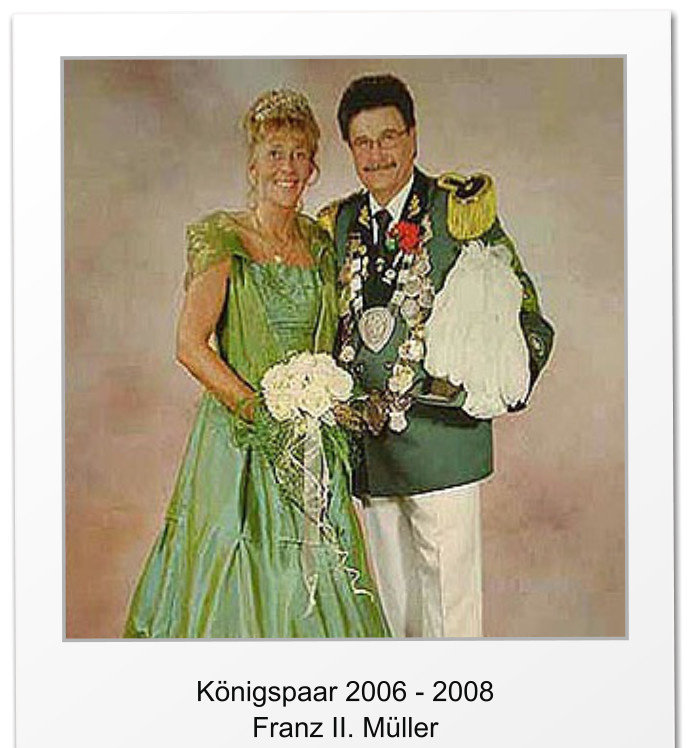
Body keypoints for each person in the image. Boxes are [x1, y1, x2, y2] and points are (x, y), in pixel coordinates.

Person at [124, 89, 390, 638]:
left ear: (313, 168)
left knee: (319, 582)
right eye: (275, 154)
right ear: (253, 165)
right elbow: (190, 344)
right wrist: (259, 412)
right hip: (239, 445)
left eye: (299, 155)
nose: (287, 167)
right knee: (241, 575)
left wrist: (326, 404)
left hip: (313, 442)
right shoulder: (224, 238)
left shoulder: (321, 243)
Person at [318, 74, 554, 638]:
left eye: (388, 137)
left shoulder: (457, 209)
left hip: (442, 438)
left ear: (413, 136)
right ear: (349, 148)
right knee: (393, 612)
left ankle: (453, 699)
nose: (377, 154)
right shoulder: (339, 223)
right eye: (362, 142)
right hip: (371, 448)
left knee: (450, 613)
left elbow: (519, 304)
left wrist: (499, 380)